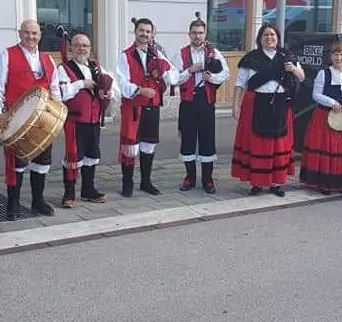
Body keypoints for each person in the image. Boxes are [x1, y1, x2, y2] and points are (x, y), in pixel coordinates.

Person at [0, 19, 63, 218]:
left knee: (42, 161)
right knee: (17, 163)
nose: (31, 37)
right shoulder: (7, 55)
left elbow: (55, 90)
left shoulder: (48, 60)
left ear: (40, 36)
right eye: (27, 33)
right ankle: (13, 203)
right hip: (16, 120)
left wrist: (57, 112)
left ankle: (38, 201)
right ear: (20, 34)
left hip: (43, 120)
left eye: (35, 34)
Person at [231, 24, 305, 197]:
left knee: (278, 145)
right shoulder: (251, 59)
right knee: (258, 145)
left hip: (280, 104)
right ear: (260, 38)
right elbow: (240, 84)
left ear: (278, 38)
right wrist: (236, 105)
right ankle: (257, 183)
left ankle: (276, 183)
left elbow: (302, 76)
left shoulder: (286, 57)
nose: (269, 37)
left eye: (272, 35)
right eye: (265, 35)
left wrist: (293, 69)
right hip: (256, 104)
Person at [115, 18, 181, 197]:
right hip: (133, 107)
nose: (144, 34)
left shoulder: (157, 54)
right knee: (131, 147)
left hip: (152, 106)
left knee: (148, 145)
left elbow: (174, 75)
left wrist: (163, 73)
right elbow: (121, 82)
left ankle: (146, 181)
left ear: (152, 34)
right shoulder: (125, 55)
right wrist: (140, 90)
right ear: (135, 32)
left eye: (148, 31)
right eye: (141, 30)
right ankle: (127, 183)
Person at [171, 12, 230, 193]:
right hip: (188, 102)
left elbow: (225, 73)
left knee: (207, 140)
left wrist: (211, 78)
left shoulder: (214, 52)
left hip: (206, 101)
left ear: (205, 34)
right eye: (194, 33)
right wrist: (190, 70)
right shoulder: (180, 54)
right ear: (189, 34)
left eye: (200, 33)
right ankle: (189, 177)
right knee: (188, 140)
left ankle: (207, 179)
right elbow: (173, 79)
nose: (197, 36)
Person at [56, 33, 115, 207]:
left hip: (94, 119)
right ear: (71, 48)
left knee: (91, 155)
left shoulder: (96, 67)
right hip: (75, 120)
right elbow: (62, 93)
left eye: (86, 46)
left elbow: (112, 87)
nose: (82, 49)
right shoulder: (64, 68)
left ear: (90, 49)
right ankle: (69, 193)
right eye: (78, 45)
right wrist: (82, 84)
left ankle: (88, 189)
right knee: (73, 157)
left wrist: (109, 93)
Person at [300, 39, 342, 195]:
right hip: (325, 115)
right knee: (327, 148)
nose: (339, 58)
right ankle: (324, 183)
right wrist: (332, 102)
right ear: (331, 56)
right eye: (336, 54)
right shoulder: (324, 73)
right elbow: (316, 94)